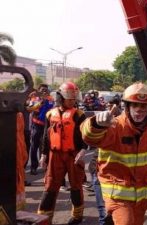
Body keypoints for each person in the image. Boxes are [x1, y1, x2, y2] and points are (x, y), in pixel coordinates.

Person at [81, 82, 147, 225]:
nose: (139, 110)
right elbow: (90, 137)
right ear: (127, 107)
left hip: (141, 195)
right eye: (135, 105)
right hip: (118, 194)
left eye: (143, 106)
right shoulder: (114, 125)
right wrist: (96, 124)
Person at [37, 82, 87, 225]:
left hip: (73, 155)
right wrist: (44, 154)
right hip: (55, 156)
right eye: (69, 98)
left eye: (74, 98)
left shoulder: (79, 115)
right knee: (50, 187)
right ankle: (44, 218)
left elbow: (86, 135)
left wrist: (83, 149)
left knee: (76, 186)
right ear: (60, 98)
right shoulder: (50, 114)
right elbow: (46, 136)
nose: (73, 101)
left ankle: (77, 216)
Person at [87, 95, 122, 225]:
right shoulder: (103, 120)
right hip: (98, 170)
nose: (111, 107)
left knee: (115, 209)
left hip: (116, 175)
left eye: (113, 105)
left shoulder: (124, 125)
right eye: (108, 105)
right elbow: (88, 133)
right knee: (103, 210)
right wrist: (98, 125)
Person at [26, 84, 54, 175]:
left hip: (47, 125)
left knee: (45, 146)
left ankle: (45, 165)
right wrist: (40, 102)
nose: (44, 91)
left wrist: (46, 100)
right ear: (38, 90)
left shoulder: (51, 99)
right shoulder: (34, 98)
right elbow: (30, 109)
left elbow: (53, 109)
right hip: (36, 125)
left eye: (46, 90)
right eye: (42, 90)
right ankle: (33, 167)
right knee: (34, 146)